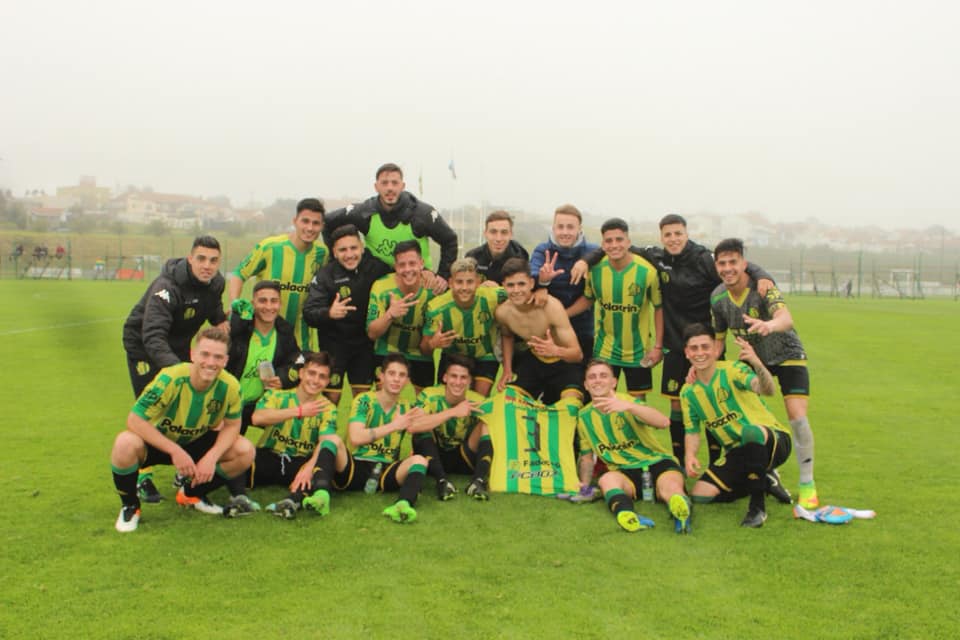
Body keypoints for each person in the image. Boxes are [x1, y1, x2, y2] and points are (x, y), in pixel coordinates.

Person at [569, 214, 774, 466]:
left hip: (703, 346)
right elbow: (613, 249)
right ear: (661, 236)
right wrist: (584, 260)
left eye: (678, 233)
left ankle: (717, 462)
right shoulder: (657, 257)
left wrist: (762, 275)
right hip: (675, 346)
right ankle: (679, 462)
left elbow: (735, 265)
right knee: (677, 405)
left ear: (686, 233)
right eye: (668, 234)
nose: (673, 239)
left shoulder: (702, 258)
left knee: (712, 401)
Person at [109, 327, 256, 532]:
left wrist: (212, 457)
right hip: (159, 442)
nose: (211, 362)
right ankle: (131, 506)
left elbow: (232, 426)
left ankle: (191, 493)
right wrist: (175, 451)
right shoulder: (170, 378)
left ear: (225, 360)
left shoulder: (230, 386)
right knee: (125, 443)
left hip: (195, 442)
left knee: (245, 450)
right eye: (205, 354)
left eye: (217, 357)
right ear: (192, 354)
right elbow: (134, 420)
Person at [711, 238, 819, 508]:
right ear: (716, 267)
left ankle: (807, 484)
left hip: (788, 353)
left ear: (744, 264)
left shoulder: (763, 287)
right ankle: (763, 470)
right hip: (753, 359)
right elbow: (718, 340)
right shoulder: (717, 298)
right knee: (737, 415)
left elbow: (786, 318)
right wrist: (704, 369)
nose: (727, 268)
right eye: (722, 263)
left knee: (797, 417)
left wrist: (769, 326)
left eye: (732, 262)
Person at [121, 235, 229, 502]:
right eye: (201, 259)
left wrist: (234, 321)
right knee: (151, 410)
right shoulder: (166, 287)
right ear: (190, 258)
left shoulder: (216, 284)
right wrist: (181, 371)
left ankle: (184, 468)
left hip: (179, 347)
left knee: (184, 409)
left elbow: (216, 318)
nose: (207, 265)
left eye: (213, 260)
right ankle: (142, 477)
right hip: (144, 347)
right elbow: (153, 335)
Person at [681, 324, 793, 528]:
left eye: (705, 347)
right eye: (694, 348)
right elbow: (692, 431)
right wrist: (690, 456)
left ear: (716, 348)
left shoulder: (733, 370)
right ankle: (764, 480)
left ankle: (757, 509)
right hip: (738, 452)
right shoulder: (688, 392)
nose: (700, 353)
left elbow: (767, 389)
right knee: (701, 494)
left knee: (750, 432)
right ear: (686, 352)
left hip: (772, 440)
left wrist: (756, 361)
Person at [576, 359, 691, 533]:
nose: (597, 380)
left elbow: (663, 422)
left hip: (657, 462)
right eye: (592, 377)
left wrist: (629, 407)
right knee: (606, 480)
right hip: (625, 471)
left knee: (670, 488)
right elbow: (586, 456)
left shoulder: (626, 402)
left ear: (614, 382)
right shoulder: (583, 417)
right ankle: (627, 515)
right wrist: (584, 485)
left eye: (603, 376)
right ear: (586, 384)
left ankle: (681, 514)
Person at [323, 162, 458, 291]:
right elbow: (327, 222)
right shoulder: (364, 212)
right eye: (384, 183)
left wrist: (443, 275)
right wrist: (333, 260)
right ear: (376, 186)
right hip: (378, 281)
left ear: (402, 185)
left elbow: (450, 240)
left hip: (419, 278)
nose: (390, 188)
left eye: (394, 183)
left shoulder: (422, 213)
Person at [567, 218, 662, 400]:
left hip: (638, 352)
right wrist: (562, 315)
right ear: (603, 244)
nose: (614, 245)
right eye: (609, 241)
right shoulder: (595, 271)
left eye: (619, 240)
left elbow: (659, 308)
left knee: (637, 406)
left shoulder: (647, 271)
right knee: (601, 401)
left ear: (628, 242)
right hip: (605, 350)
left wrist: (657, 346)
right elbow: (588, 299)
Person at [247, 352, 348, 520]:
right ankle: (236, 499)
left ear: (328, 382)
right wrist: (298, 411)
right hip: (269, 454)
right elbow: (257, 418)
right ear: (301, 373)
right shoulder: (277, 395)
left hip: (299, 461)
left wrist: (309, 468)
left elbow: (326, 443)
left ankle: (291, 502)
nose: (315, 380)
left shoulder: (328, 407)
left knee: (318, 473)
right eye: (311, 373)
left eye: (322, 377)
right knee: (239, 458)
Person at [302, 225, 392, 405]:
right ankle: (327, 433)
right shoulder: (325, 275)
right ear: (334, 252)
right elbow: (309, 312)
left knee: (362, 399)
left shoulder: (376, 268)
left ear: (362, 247)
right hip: (334, 346)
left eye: (353, 248)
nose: (349, 254)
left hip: (365, 346)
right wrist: (329, 313)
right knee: (331, 399)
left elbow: (401, 276)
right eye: (342, 250)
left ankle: (357, 434)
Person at [229, 198, 328, 350]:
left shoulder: (323, 254)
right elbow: (239, 274)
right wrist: (234, 303)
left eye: (315, 223)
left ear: (322, 226)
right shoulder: (270, 247)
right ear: (295, 221)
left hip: (301, 343)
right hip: (264, 339)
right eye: (305, 221)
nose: (310, 228)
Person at [345, 354, 430, 524]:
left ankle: (402, 504)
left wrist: (451, 412)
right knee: (333, 444)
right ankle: (318, 493)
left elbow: (426, 425)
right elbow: (355, 437)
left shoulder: (407, 406)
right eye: (392, 373)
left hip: (387, 469)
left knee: (420, 460)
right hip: (357, 464)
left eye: (402, 375)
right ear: (381, 376)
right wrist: (394, 425)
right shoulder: (363, 400)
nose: (396, 379)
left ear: (407, 381)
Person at [495, 258, 583, 403]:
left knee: (569, 406)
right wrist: (507, 370)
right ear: (503, 286)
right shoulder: (502, 312)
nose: (516, 290)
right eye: (510, 285)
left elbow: (577, 354)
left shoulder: (551, 307)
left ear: (531, 283)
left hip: (564, 363)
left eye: (521, 284)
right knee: (509, 402)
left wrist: (555, 350)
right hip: (534, 361)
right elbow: (507, 336)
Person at [420, 257, 506, 396]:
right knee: (447, 399)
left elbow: (522, 293)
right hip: (453, 355)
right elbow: (424, 350)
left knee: (478, 401)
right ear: (451, 283)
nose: (465, 287)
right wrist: (433, 344)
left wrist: (541, 289)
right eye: (459, 282)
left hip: (484, 356)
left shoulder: (494, 295)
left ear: (478, 282)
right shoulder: (436, 308)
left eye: (470, 282)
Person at [226, 280, 302, 434]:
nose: (268, 307)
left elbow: (298, 360)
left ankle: (273, 455)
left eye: (274, 301)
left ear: (280, 304)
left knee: (295, 424)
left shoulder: (284, 332)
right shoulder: (238, 330)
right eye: (262, 301)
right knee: (230, 451)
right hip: (230, 405)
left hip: (260, 406)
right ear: (253, 303)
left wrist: (282, 378)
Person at [410, 354, 490, 501]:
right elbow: (412, 426)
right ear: (445, 378)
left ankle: (478, 481)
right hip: (433, 457)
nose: (458, 382)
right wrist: (453, 412)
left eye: (463, 377)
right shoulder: (429, 394)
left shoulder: (479, 401)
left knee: (486, 424)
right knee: (422, 426)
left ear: (470, 381)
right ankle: (442, 481)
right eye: (453, 376)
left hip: (463, 457)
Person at [529, 204, 598, 361]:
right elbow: (531, 279)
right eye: (560, 227)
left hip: (583, 330)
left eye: (570, 227)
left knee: (581, 380)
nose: (565, 232)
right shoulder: (542, 250)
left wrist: (586, 261)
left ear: (579, 229)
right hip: (549, 331)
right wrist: (543, 282)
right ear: (553, 228)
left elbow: (593, 293)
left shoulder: (592, 251)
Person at [366, 240, 438, 391]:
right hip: (386, 350)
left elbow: (426, 350)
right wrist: (389, 315)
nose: (407, 269)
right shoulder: (382, 286)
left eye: (412, 263)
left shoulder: (432, 291)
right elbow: (372, 333)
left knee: (423, 406)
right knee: (384, 401)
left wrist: (433, 343)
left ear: (421, 263)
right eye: (402, 265)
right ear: (395, 267)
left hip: (419, 354)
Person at [465, 210, 530, 286]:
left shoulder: (520, 257)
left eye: (504, 232)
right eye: (493, 232)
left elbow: (523, 290)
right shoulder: (473, 257)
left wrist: (498, 290)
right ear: (485, 233)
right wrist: (480, 287)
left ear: (511, 234)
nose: (498, 238)